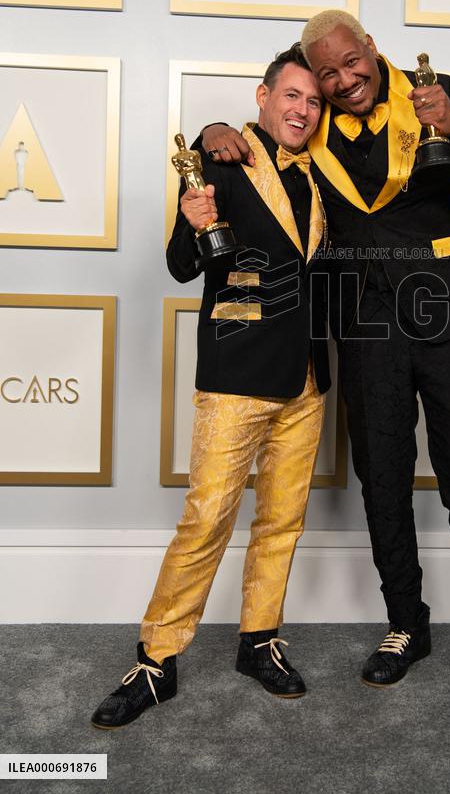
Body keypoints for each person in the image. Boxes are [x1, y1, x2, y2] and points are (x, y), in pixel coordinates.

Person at [200, 12, 450, 714]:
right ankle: (406, 624)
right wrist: (212, 132)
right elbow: (263, 128)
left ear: (372, 50)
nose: (345, 81)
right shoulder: (312, 119)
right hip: (365, 321)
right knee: (382, 478)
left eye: (353, 63)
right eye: (327, 74)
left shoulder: (431, 93)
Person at [91, 45, 330, 729]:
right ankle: (156, 660)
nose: (303, 110)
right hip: (235, 374)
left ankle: (259, 642)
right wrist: (196, 228)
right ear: (262, 96)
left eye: (312, 102)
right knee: (207, 520)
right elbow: (175, 265)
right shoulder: (219, 156)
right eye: (291, 96)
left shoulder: (320, 173)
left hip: (307, 377)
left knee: (282, 520)